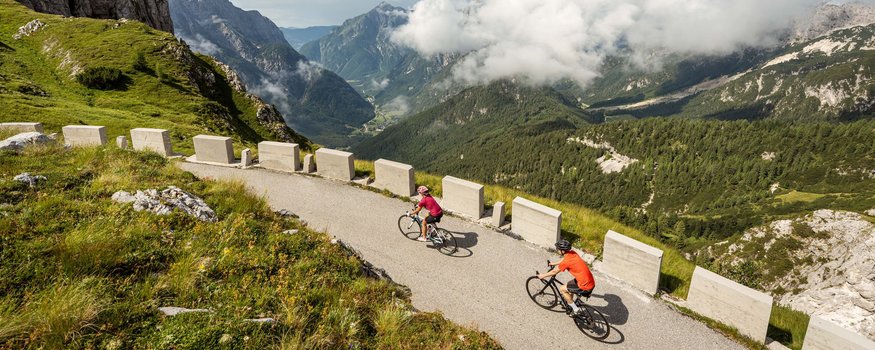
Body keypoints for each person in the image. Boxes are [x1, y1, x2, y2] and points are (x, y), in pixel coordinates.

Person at [538, 239, 595, 316]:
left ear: (563, 251)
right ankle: (570, 303)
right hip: (589, 280)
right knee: (568, 286)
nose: (557, 250)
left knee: (562, 289)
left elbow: (554, 272)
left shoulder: (567, 261)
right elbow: (564, 260)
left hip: (584, 285)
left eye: (558, 249)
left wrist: (542, 275)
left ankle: (575, 309)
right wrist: (553, 263)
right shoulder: (572, 253)